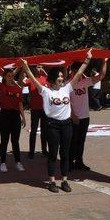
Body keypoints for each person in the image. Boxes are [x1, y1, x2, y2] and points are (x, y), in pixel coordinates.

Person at [21, 50, 91, 193]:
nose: (61, 78)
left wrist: (87, 60)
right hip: (52, 126)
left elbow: (77, 75)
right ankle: (52, 181)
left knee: (65, 154)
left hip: (67, 125)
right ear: (53, 79)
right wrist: (26, 67)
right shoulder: (46, 91)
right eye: (59, 77)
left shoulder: (66, 88)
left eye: (62, 76)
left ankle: (64, 181)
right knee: (53, 154)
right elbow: (33, 80)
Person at [69, 59, 107, 171]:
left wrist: (104, 61)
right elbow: (66, 101)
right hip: (73, 117)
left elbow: (101, 75)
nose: (79, 74)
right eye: (77, 71)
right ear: (72, 72)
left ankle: (79, 162)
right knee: (72, 141)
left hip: (85, 117)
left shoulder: (85, 82)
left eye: (81, 71)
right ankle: (70, 162)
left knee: (81, 140)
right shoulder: (68, 84)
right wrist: (73, 115)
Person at [25, 65, 49, 159]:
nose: (39, 68)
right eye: (38, 67)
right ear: (34, 69)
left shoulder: (46, 79)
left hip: (45, 109)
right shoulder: (31, 79)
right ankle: (31, 151)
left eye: (41, 67)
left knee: (45, 131)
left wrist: (44, 72)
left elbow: (54, 82)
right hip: (35, 109)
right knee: (33, 131)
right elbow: (21, 84)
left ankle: (44, 150)